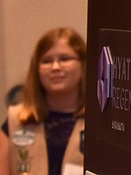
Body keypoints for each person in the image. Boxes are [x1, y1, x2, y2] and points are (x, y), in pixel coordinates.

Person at [0, 28, 85, 175]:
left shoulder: (100, 124)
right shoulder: (16, 119)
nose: (55, 67)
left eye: (65, 59)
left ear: (83, 64)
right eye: (46, 61)